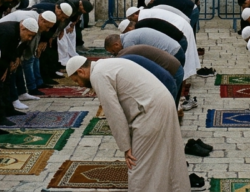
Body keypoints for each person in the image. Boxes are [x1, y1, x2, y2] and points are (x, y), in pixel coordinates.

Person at [66, 56, 193, 191]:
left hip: (151, 109)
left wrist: (126, 147)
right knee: (165, 155)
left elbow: (114, 113)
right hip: (161, 102)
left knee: (137, 164)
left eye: (77, 81)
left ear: (81, 71)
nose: (80, 85)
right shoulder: (104, 65)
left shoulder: (98, 75)